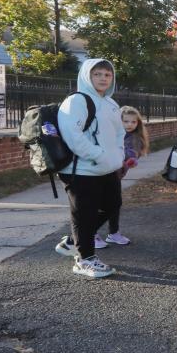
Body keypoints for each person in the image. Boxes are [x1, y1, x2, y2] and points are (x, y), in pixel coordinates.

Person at [55, 59, 126, 279]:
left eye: (107, 74)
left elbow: (119, 134)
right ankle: (84, 259)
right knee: (84, 215)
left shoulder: (111, 103)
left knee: (113, 204)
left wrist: (118, 155)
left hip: (106, 168)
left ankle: (73, 241)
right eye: (97, 74)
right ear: (87, 76)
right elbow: (72, 135)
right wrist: (98, 155)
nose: (103, 78)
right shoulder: (76, 101)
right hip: (81, 170)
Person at [102, 105, 150, 246]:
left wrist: (131, 161)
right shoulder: (112, 134)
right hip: (103, 173)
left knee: (115, 204)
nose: (130, 125)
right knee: (102, 205)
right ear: (119, 121)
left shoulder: (136, 137)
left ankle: (113, 233)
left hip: (116, 175)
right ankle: (91, 234)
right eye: (126, 121)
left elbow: (132, 155)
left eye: (133, 122)